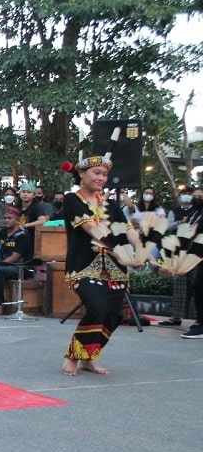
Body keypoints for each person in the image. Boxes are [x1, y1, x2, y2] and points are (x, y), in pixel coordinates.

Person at [60, 154, 142, 376]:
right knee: (97, 307)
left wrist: (142, 253)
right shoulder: (72, 200)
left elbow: (128, 231)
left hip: (115, 268)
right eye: (97, 173)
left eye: (105, 174)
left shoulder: (110, 204)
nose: (101, 178)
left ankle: (89, 356)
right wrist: (120, 251)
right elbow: (91, 229)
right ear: (81, 173)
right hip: (85, 266)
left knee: (114, 315)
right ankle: (73, 355)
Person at [159, 186, 203, 327]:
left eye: (200, 197)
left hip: (199, 254)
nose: (196, 199)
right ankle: (176, 317)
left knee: (198, 285)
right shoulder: (193, 214)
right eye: (194, 197)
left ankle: (199, 319)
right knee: (180, 281)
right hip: (186, 251)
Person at [14, 181, 50, 260]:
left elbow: (43, 220)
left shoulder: (37, 207)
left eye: (29, 192)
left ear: (34, 195)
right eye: (23, 192)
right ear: (20, 194)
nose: (25, 194)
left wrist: (26, 225)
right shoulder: (16, 207)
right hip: (15, 239)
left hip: (31, 240)